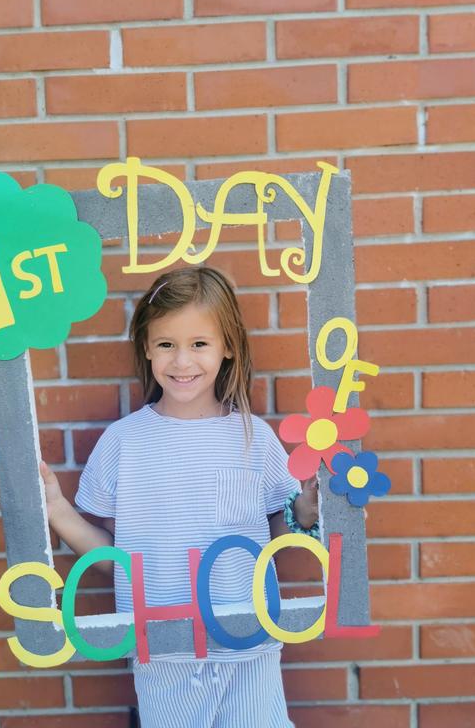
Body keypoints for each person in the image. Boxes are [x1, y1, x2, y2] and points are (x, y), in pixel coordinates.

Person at [39, 266, 319, 728]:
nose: (182, 361)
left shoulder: (255, 438)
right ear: (147, 347)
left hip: (248, 641)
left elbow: (269, 535)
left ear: (228, 346)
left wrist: (303, 513)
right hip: (162, 650)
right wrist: (57, 510)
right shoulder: (123, 443)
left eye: (199, 344)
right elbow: (117, 557)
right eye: (167, 344)